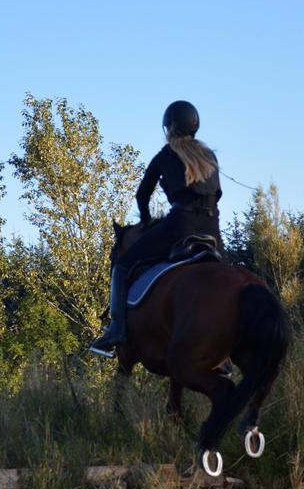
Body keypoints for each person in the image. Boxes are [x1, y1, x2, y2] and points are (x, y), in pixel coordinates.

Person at [89, 100, 223, 357]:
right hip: (213, 231)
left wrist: (148, 220)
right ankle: (223, 353)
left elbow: (142, 196)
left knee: (123, 265)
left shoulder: (165, 156)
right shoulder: (210, 156)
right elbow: (217, 195)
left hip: (180, 226)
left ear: (169, 127)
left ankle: (116, 330)